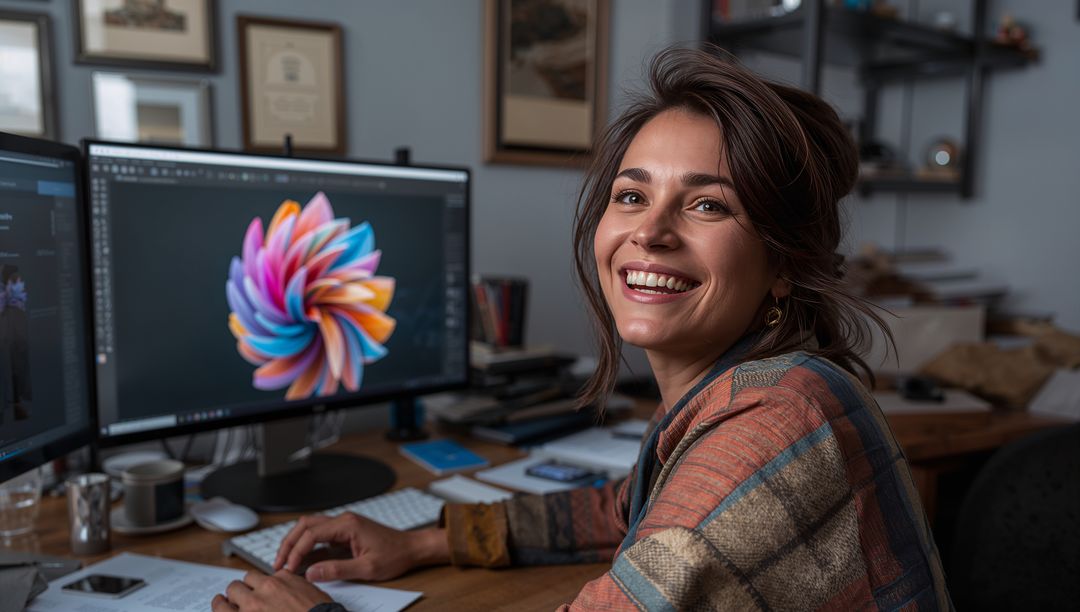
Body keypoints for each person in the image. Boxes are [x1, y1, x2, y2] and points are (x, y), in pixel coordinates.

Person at [212, 46, 952, 611]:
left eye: (708, 206)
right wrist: (424, 540)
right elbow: (624, 513)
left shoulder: (774, 429)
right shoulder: (746, 389)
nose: (651, 233)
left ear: (783, 263)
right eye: (632, 195)